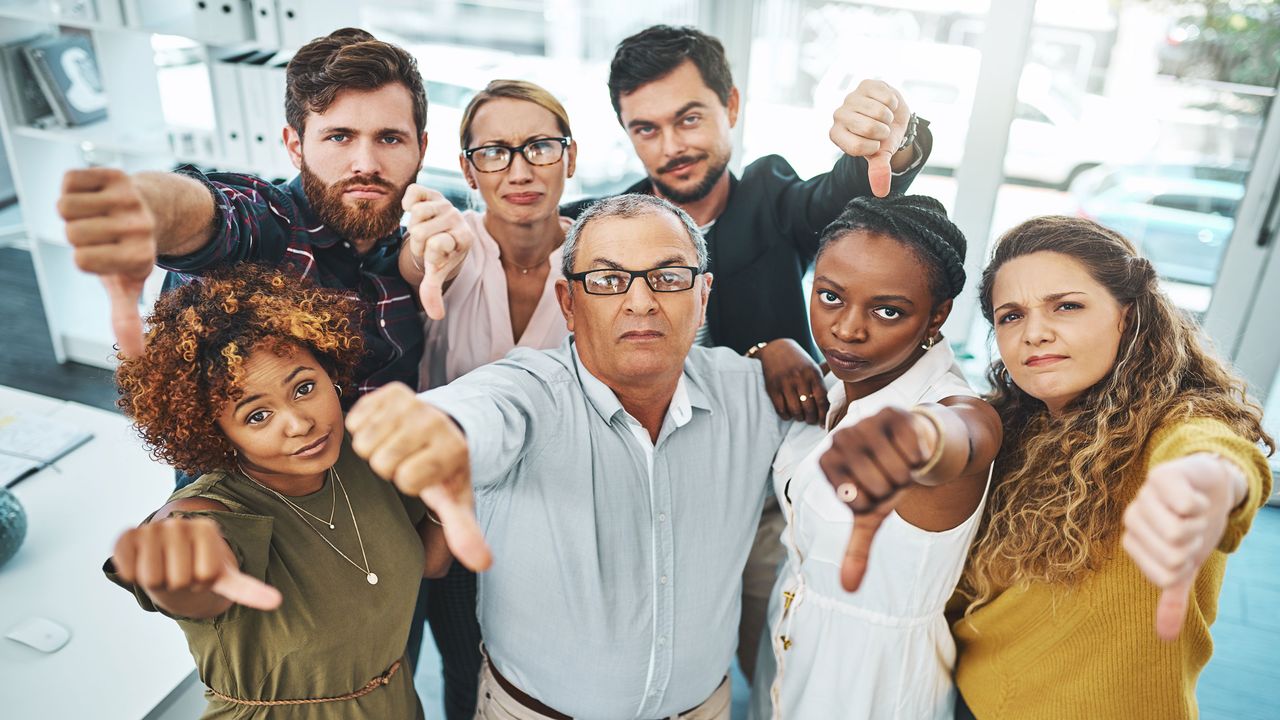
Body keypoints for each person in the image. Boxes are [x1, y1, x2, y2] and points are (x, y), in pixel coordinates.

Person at [563, 25, 935, 677]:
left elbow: (845, 190)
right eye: (646, 129)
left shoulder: (769, 195)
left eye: (689, 118)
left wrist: (891, 142)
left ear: (731, 106)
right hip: (651, 507)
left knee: (783, 670)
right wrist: (762, 349)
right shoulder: (603, 226)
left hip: (770, 499)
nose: (671, 146)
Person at [344, 194, 800, 719]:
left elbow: (855, 417)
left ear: (703, 295)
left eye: (669, 277)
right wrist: (440, 433)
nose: (640, 302)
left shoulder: (753, 394)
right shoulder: (530, 390)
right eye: (607, 281)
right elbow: (479, 411)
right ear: (567, 303)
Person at [103, 265, 462, 719]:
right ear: (214, 434)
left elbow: (428, 563)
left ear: (330, 370)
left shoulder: (364, 453)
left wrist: (451, 488)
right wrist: (180, 571)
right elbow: (193, 574)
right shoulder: (219, 513)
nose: (299, 424)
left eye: (304, 388)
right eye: (257, 416)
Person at [951, 216, 1274, 719]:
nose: (1035, 332)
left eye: (1067, 306)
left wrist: (1210, 481)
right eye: (1011, 316)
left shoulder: (1176, 418)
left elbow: (1211, 449)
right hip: (974, 695)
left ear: (1127, 315)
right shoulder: (1007, 423)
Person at [56, 27, 427, 397]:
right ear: (295, 147)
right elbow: (218, 218)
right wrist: (145, 206)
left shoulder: (417, 242)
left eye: (390, 138)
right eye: (339, 137)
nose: (366, 164)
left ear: (421, 149)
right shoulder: (271, 231)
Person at [747, 195, 1001, 720]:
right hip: (786, 651)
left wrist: (918, 436)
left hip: (873, 688)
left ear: (937, 316)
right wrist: (768, 346)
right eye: (830, 296)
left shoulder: (953, 406)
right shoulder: (839, 376)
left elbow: (968, 437)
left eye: (888, 311)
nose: (848, 329)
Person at [395, 79, 578, 719]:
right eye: (495, 152)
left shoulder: (598, 259)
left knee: (543, 678)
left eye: (540, 147)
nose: (520, 170)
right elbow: (421, 260)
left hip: (553, 515)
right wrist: (424, 254)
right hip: (446, 513)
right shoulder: (457, 243)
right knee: (464, 668)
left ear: (571, 159)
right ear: (469, 170)